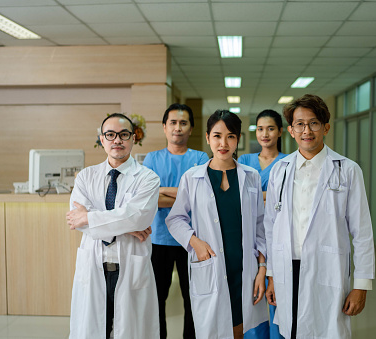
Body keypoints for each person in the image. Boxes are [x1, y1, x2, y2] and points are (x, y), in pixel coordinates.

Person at [264, 94, 375, 339]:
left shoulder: (347, 170)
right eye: (300, 124)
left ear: (325, 127)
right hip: (287, 268)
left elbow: (362, 232)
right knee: (290, 331)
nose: (307, 130)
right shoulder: (279, 171)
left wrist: (361, 285)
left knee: (326, 331)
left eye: (313, 123)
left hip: (328, 269)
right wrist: (271, 274)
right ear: (291, 130)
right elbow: (271, 226)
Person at [166, 110, 268, 339]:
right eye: (217, 136)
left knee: (241, 330)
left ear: (238, 139)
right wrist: (194, 242)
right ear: (207, 137)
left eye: (231, 136)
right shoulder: (191, 177)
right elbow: (175, 218)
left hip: (245, 270)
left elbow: (261, 227)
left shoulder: (251, 176)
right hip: (210, 266)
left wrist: (262, 269)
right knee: (212, 330)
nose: (223, 143)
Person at [66, 113, 160, 339]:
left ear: (133, 138)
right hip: (94, 264)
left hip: (129, 266)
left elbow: (138, 217)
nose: (117, 140)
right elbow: (76, 221)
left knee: (130, 331)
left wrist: (91, 217)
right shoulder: (86, 177)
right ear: (102, 139)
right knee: (92, 329)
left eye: (124, 134)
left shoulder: (148, 178)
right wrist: (127, 226)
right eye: (110, 135)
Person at [143, 103, 209, 339]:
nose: (178, 128)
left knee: (193, 298)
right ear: (164, 127)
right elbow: (149, 198)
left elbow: (199, 196)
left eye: (183, 123)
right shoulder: (152, 158)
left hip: (191, 240)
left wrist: (164, 191)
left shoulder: (200, 157)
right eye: (173, 122)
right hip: (158, 238)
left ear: (191, 128)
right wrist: (183, 191)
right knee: (156, 299)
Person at [238, 109, 287, 339]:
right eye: (260, 129)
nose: (264, 133)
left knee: (276, 289)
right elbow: (239, 197)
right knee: (253, 295)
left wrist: (257, 195)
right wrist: (268, 195)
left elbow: (286, 200)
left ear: (280, 132)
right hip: (251, 233)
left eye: (270, 128)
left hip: (279, 233)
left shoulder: (288, 163)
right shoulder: (245, 161)